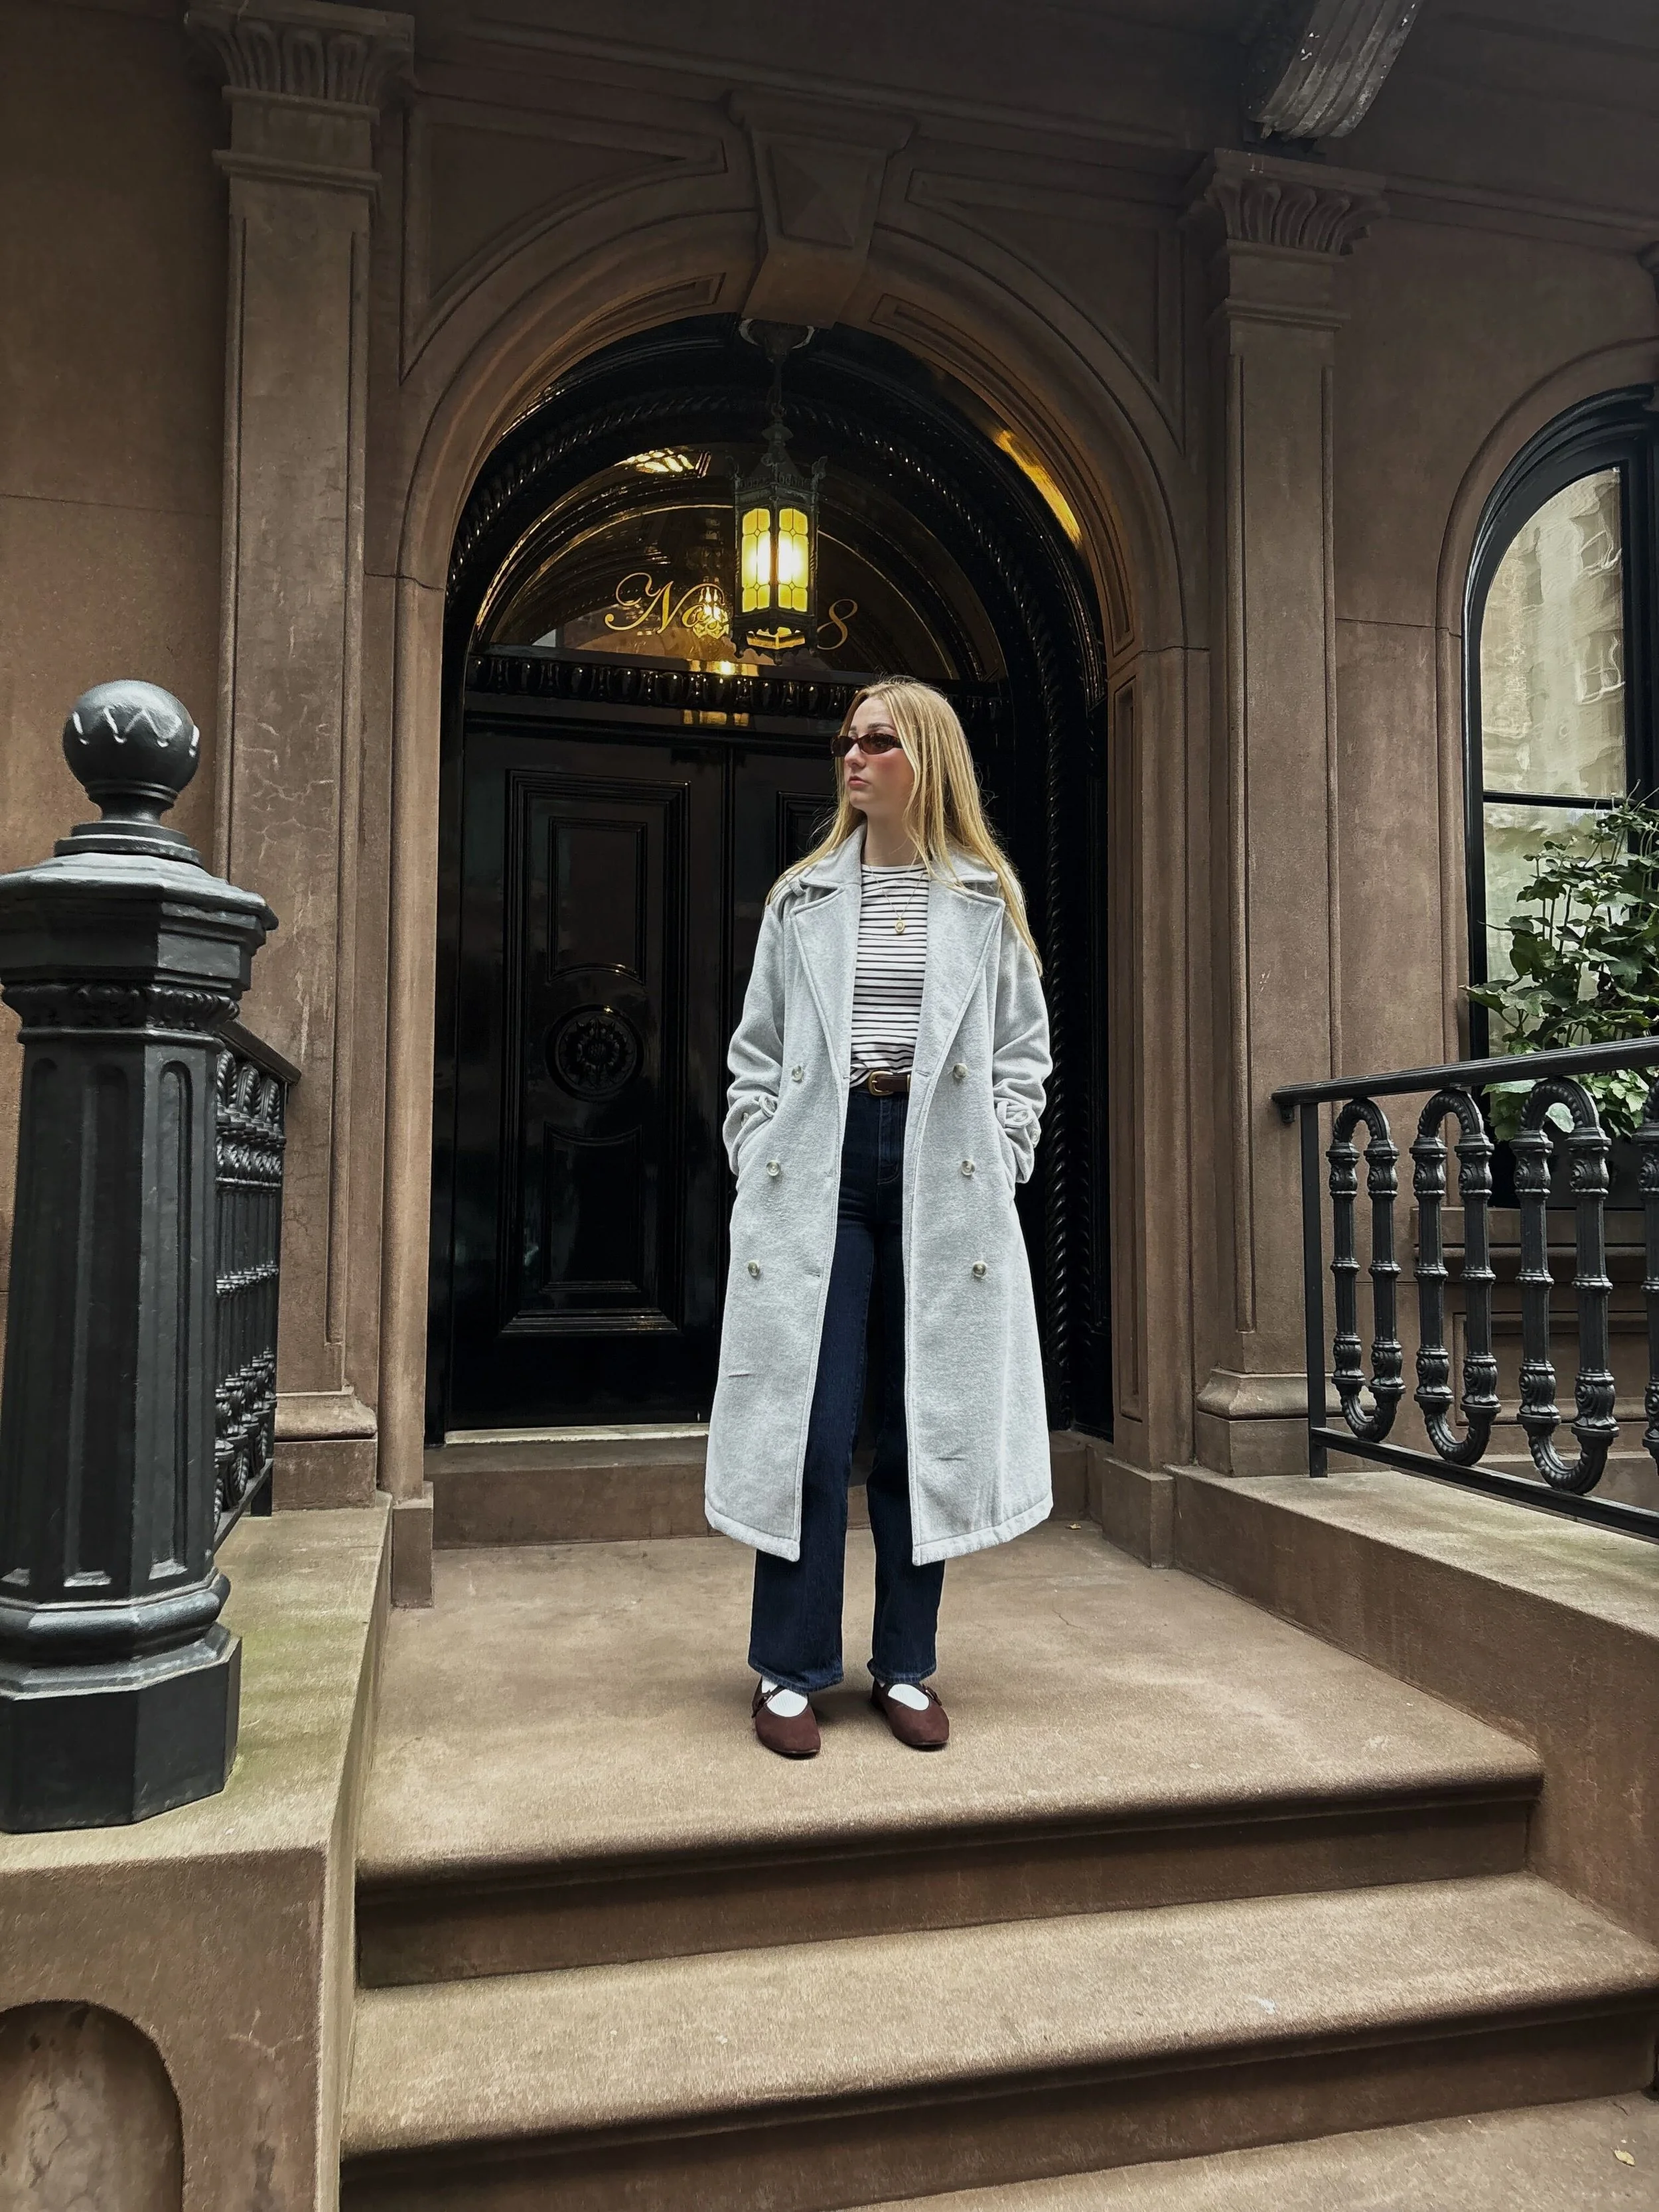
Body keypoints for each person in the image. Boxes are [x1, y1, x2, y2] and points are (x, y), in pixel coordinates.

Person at [703, 678, 1052, 1758]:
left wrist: (1004, 1155)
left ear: (927, 760)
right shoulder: (800, 896)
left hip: (942, 1166)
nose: (852, 758)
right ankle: (789, 1669)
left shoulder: (985, 896)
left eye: (878, 741)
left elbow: (1022, 1055)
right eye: (848, 741)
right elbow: (756, 1054)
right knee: (809, 1422)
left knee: (923, 1421)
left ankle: (906, 1664)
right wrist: (756, 1150)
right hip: (825, 1160)